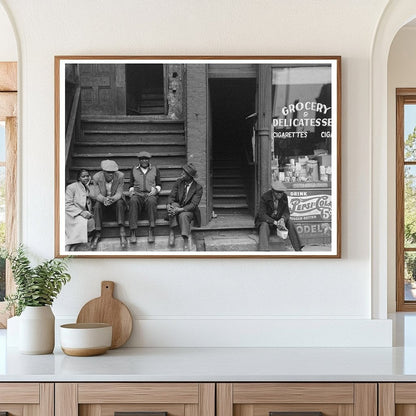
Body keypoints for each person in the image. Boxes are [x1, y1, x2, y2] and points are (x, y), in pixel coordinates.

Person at [255, 180, 304, 251]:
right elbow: (262, 215)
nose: (280, 194)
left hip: (278, 221)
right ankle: (264, 251)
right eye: (278, 192)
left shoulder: (284, 197)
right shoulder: (264, 197)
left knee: (290, 222)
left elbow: (286, 212)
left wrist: (282, 219)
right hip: (267, 221)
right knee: (264, 225)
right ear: (273, 191)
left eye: (281, 192)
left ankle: (298, 249)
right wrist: (274, 222)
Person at [90, 159, 127, 250]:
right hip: (103, 201)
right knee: (97, 205)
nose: (111, 174)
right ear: (103, 172)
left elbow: (119, 192)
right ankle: (97, 232)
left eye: (113, 172)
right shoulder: (96, 177)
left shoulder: (120, 176)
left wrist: (112, 199)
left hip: (114, 200)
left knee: (120, 202)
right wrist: (104, 199)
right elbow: (96, 194)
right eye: (108, 172)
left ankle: (122, 231)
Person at [166, 163, 203, 251]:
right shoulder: (179, 182)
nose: (181, 174)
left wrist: (180, 210)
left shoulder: (198, 187)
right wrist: (168, 205)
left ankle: (185, 239)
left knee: (183, 215)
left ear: (190, 176)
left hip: (189, 210)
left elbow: (193, 205)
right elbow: (171, 196)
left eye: (184, 173)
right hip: (178, 205)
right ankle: (172, 231)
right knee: (173, 206)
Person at [128, 151, 161, 244]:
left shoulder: (155, 169)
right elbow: (131, 184)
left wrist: (156, 190)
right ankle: (133, 231)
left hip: (150, 194)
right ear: (139, 160)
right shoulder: (134, 169)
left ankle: (151, 229)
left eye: (146, 159)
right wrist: (131, 191)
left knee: (151, 201)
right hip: (138, 194)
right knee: (133, 200)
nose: (144, 161)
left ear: (149, 160)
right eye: (142, 159)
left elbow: (159, 184)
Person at [65, 169, 95, 251]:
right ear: (78, 178)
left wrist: (88, 187)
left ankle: (75, 246)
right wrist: (81, 212)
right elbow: (67, 204)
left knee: (91, 222)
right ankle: (70, 247)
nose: (86, 178)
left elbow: (93, 197)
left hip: (85, 213)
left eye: (87, 176)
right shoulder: (72, 187)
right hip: (72, 214)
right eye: (83, 176)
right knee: (81, 223)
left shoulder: (89, 187)